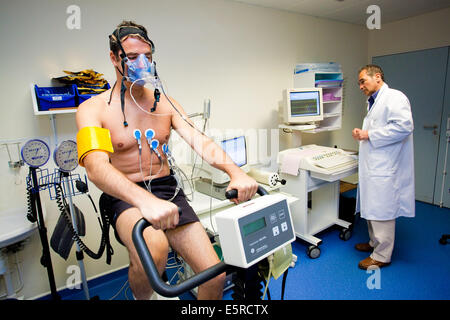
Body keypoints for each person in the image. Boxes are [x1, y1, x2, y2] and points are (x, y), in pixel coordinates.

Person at [76, 20, 258, 300]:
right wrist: (144, 201)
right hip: (126, 195)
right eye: (133, 57)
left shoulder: (166, 103)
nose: (142, 64)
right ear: (114, 58)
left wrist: (235, 172)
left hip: (167, 188)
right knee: (155, 249)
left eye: (147, 57)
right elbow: (96, 167)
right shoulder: (93, 109)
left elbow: (200, 140)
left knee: (214, 273)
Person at [352, 64, 415, 270]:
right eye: (359, 83)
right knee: (372, 206)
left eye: (363, 81)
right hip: (375, 165)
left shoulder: (394, 97)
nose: (360, 86)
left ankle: (382, 255)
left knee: (383, 209)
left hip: (386, 167)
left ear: (377, 77)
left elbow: (404, 126)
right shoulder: (373, 102)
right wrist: (364, 133)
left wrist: (368, 134)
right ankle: (373, 243)